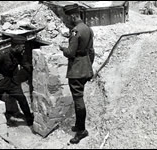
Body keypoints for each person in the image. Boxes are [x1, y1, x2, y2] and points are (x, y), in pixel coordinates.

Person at [59, 4, 95, 144]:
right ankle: (78, 126)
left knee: (78, 101)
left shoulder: (75, 31)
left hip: (76, 71)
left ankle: (81, 131)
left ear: (73, 16)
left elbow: (70, 53)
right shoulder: (88, 29)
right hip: (85, 68)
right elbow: (91, 51)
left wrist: (62, 48)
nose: (67, 20)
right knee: (79, 99)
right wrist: (89, 67)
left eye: (68, 18)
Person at [0, 35, 34, 126]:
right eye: (22, 47)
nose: (24, 49)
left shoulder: (19, 55)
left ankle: (29, 120)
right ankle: (2, 119)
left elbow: (25, 64)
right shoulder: (2, 54)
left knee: (22, 99)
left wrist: (32, 69)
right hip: (1, 82)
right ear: (16, 46)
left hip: (12, 82)